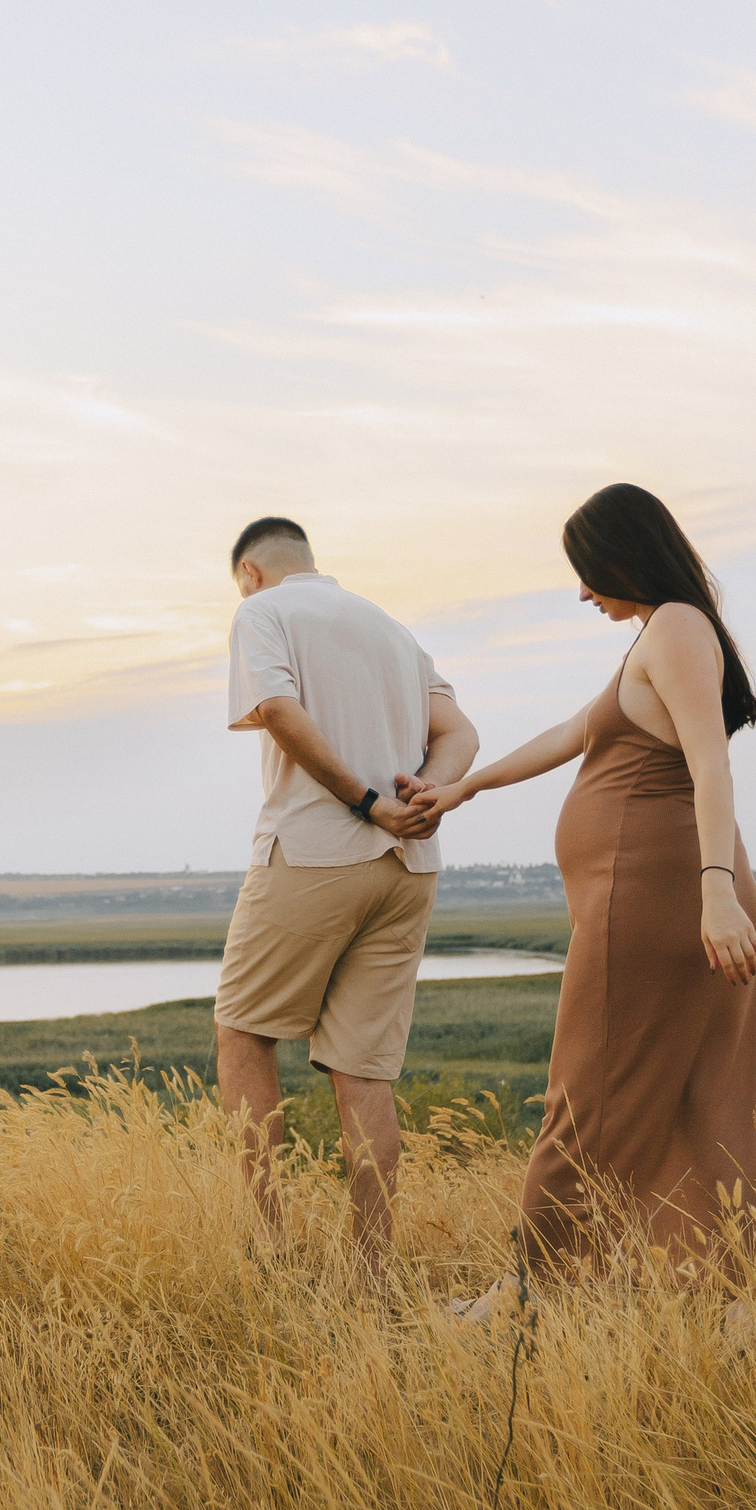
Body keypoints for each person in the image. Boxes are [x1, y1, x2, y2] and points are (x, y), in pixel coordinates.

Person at [412, 484, 756, 1297]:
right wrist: (468, 788)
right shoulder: (665, 632)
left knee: (587, 1101)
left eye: (589, 571)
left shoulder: (675, 626)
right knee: (703, 1105)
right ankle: (724, 1308)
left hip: (659, 903)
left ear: (626, 553)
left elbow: (711, 764)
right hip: (682, 900)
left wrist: (715, 895)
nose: (582, 592)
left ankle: (531, 1298)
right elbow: (572, 733)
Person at [213, 517, 477, 1283]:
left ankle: (266, 1252)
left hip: (316, 852)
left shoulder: (260, 613)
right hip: (411, 866)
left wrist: (366, 801)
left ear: (251, 573)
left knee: (243, 1033)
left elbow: (279, 714)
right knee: (362, 1071)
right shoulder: (390, 627)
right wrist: (428, 793)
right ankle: (371, 1271)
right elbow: (459, 731)